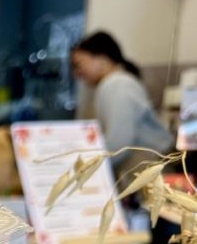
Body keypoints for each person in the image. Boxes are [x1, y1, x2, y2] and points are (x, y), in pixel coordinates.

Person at [71, 31, 174, 176]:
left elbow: (119, 143)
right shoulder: (116, 83)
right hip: (146, 167)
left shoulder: (117, 84)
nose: (77, 73)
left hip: (150, 168)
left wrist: (84, 171)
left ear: (102, 58)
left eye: (79, 65)